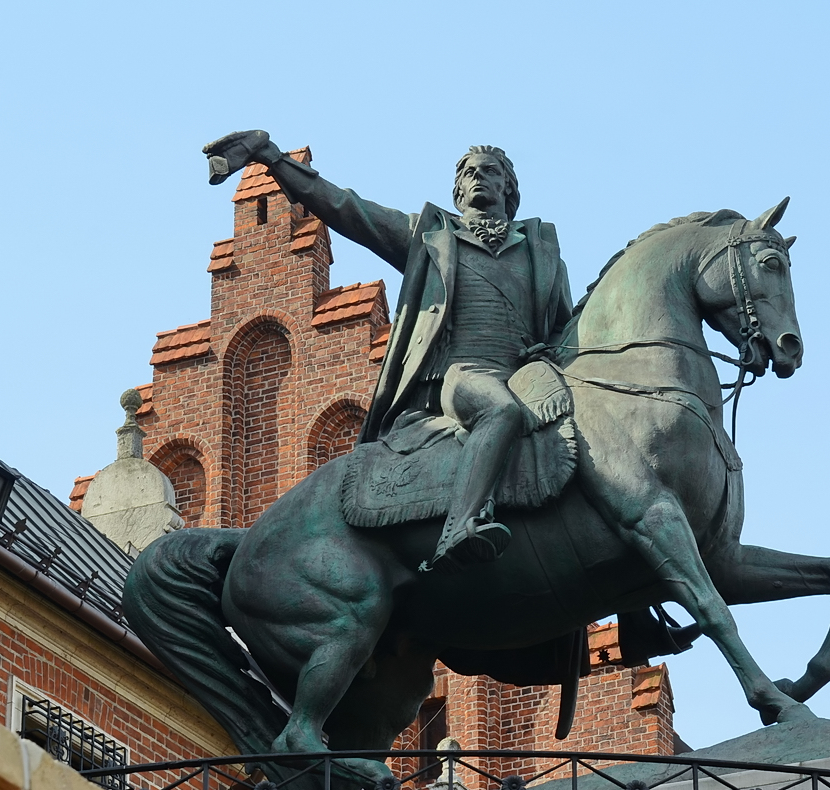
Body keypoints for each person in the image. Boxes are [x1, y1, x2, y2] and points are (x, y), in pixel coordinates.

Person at [203, 131, 573, 570]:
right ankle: (460, 527)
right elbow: (346, 208)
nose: (478, 177)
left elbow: (566, 332)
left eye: (490, 171)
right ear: (458, 192)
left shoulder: (541, 252)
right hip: (461, 376)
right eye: (469, 172)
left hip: (525, 377)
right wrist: (272, 158)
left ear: (507, 187)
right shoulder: (432, 237)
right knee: (502, 412)